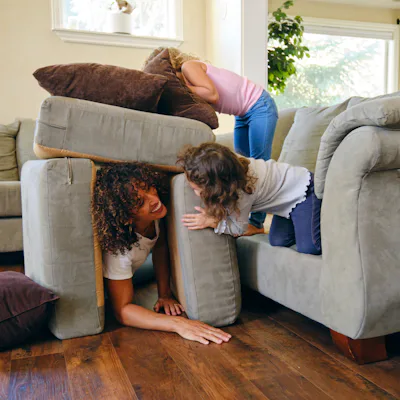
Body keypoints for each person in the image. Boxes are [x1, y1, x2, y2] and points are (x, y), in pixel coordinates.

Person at [92, 162, 231, 345]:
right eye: (140, 202)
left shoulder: (155, 217)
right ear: (125, 216)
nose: (154, 199)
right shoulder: (119, 254)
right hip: (118, 281)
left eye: (149, 188)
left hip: (138, 266)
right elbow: (123, 311)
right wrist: (178, 324)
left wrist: (164, 294)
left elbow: (160, 246)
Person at [147, 47, 279, 236]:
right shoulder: (189, 81)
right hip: (242, 114)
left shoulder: (188, 67)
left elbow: (212, 94)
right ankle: (240, 215)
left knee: (258, 162)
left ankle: (257, 222)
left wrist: (180, 88)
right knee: (242, 166)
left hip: (259, 105)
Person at [178, 143, 322, 256]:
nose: (196, 193)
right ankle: (301, 219)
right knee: (278, 240)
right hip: (284, 200)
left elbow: (238, 228)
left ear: (217, 187)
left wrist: (212, 222)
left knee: (309, 247)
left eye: (197, 189)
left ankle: (321, 213)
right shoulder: (227, 166)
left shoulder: (242, 192)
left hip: (304, 189)